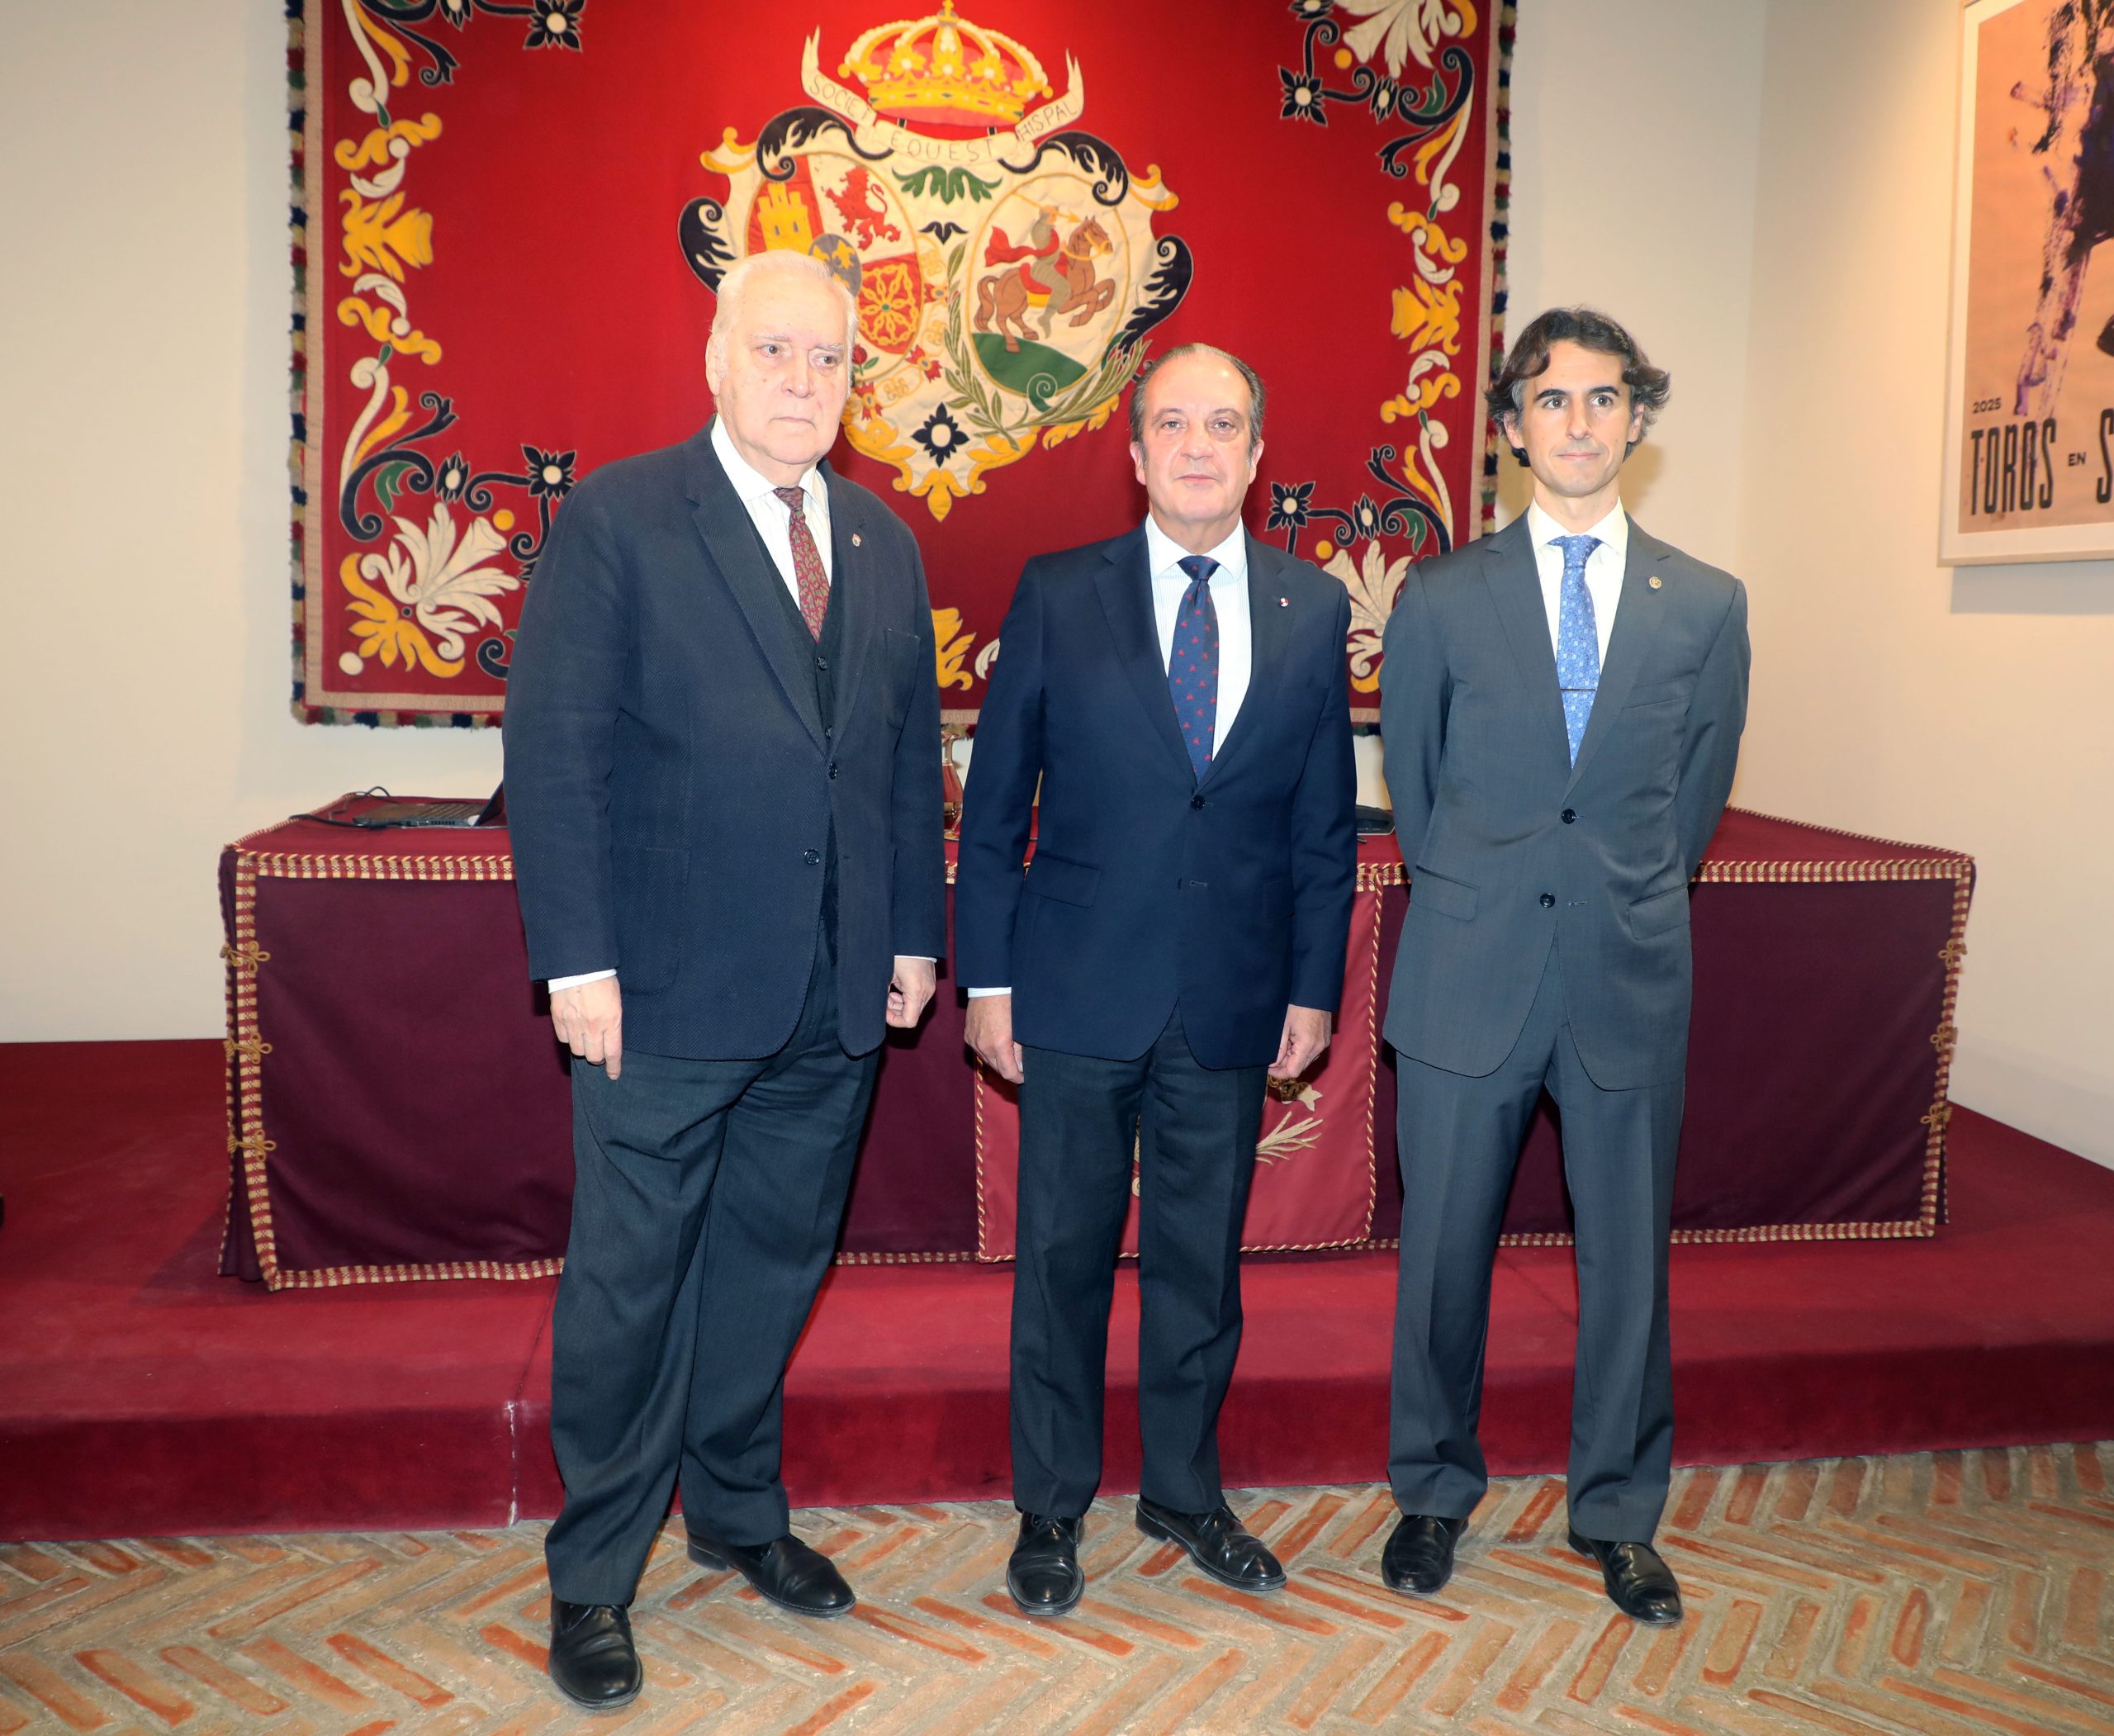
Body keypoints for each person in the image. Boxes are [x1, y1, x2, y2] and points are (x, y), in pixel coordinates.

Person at [503, 248, 946, 1710]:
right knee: (630, 1285)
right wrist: (576, 960)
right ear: (715, 358)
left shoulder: (881, 540)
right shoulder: (623, 517)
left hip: (831, 994)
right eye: (775, 351)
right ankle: (593, 1573)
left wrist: (911, 935)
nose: (803, 381)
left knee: (771, 1267)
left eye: (830, 358)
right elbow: (554, 754)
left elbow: (899, 762)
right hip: (662, 991)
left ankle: (738, 1512)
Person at [955, 344, 1357, 1617]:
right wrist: (987, 981)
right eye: (1172, 424)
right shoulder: (1057, 592)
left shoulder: (1311, 609)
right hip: (1076, 988)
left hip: (1232, 996)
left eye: (1222, 424)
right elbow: (993, 811)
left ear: (1256, 454)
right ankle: (1051, 1506)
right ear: (1134, 454)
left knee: (1199, 1266)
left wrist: (1314, 989)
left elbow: (1322, 829)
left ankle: (1185, 1491)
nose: (1197, 445)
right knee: (1062, 1260)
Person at [1377, 308, 1749, 1623]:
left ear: (1637, 418)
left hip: (1626, 973)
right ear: (1512, 427)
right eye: (1551, 399)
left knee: (1629, 1267)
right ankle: (1432, 1490)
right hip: (1467, 971)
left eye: (1602, 398)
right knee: (1441, 1254)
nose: (1578, 422)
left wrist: (1614, 895)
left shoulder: (1707, 603)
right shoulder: (1441, 596)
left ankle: (1620, 1512)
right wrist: (1491, 892)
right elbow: (1416, 789)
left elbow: (1691, 803)